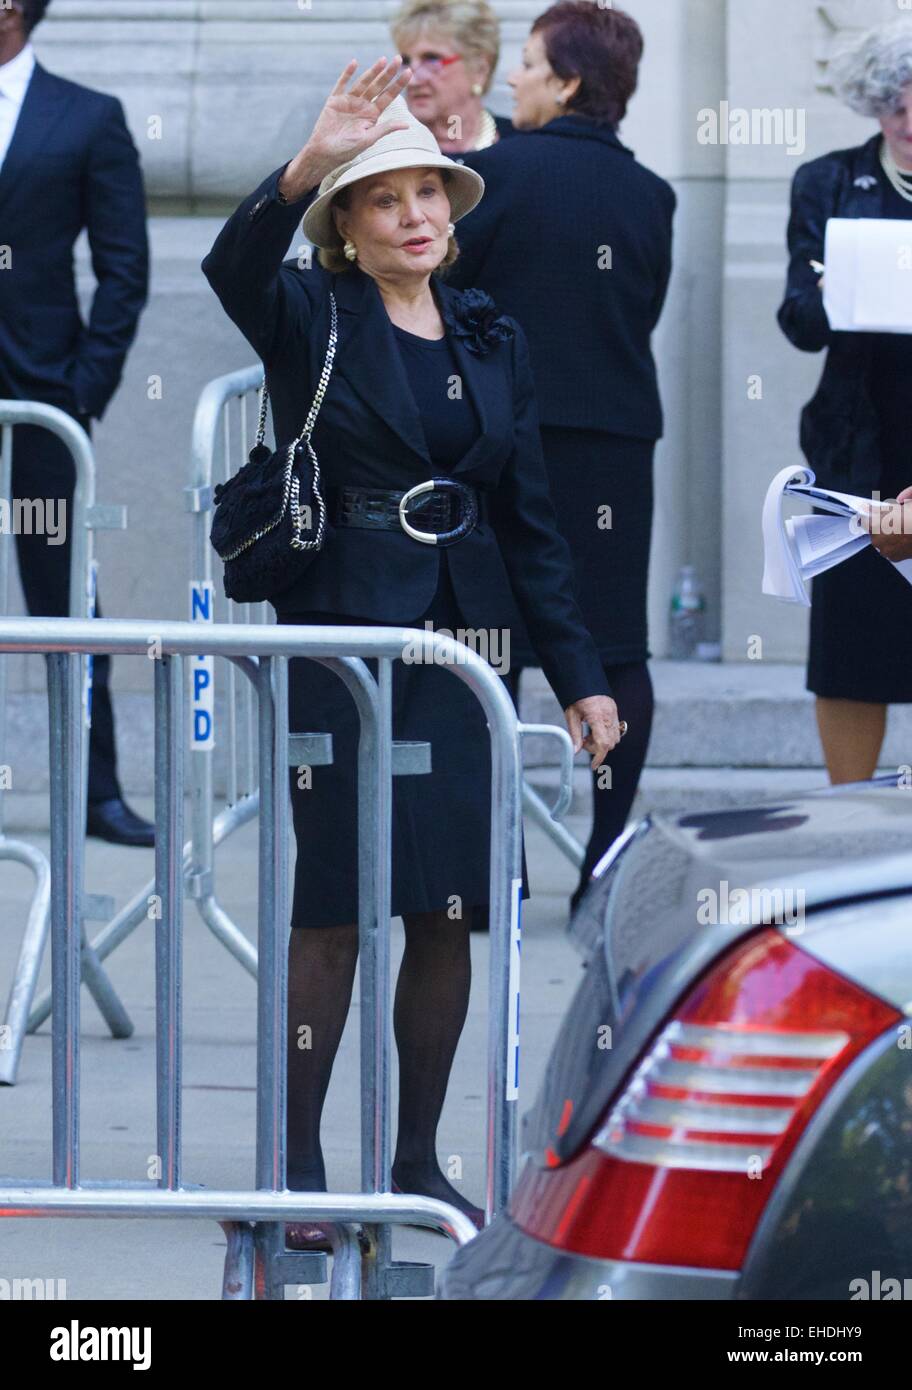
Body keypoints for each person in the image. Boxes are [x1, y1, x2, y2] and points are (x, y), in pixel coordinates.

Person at [202, 56, 623, 1248]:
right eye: (386, 200)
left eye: (430, 194)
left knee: (446, 912)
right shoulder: (309, 315)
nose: (416, 216)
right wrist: (308, 156)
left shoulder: (493, 334)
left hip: (465, 654)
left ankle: (416, 1160)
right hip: (341, 644)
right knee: (333, 906)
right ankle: (295, 1171)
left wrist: (584, 676)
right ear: (348, 221)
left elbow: (535, 522)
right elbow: (229, 263)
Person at [445, 3, 675, 909]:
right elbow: (638, 310)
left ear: (570, 81)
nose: (514, 79)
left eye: (530, 65)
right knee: (615, 648)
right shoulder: (653, 194)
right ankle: (605, 855)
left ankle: (495, 858)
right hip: (616, 442)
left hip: (506, 443)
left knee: (487, 643)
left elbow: (450, 299)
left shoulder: (488, 176)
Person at [0, 0, 152, 844]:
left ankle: (96, 794)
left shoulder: (88, 118)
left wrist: (84, 385)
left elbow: (124, 266)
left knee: (66, 594)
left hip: (44, 392)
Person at [778, 18, 912, 785]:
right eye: (895, 102)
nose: (910, 120)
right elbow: (797, 324)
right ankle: (850, 821)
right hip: (857, 446)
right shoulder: (827, 181)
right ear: (871, 102)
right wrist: (832, 294)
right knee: (852, 648)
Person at [390, 0, 516, 152]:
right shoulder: (391, 150)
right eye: (406, 61)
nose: (412, 80)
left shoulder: (523, 148)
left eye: (432, 59)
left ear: (480, 69)